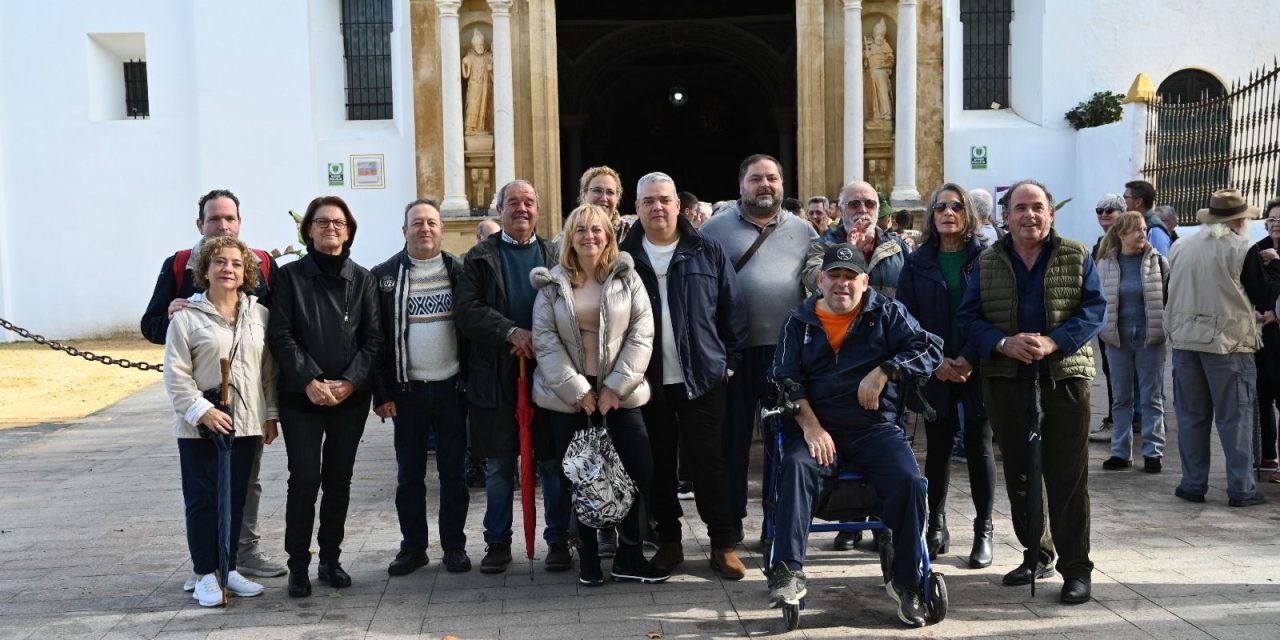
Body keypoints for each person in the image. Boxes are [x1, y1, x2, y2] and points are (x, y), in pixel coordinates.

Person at [767, 243, 942, 628]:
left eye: (850, 277)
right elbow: (784, 380)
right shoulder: (798, 323)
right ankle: (789, 570)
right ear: (820, 280)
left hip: (873, 427)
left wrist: (886, 371)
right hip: (815, 426)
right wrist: (812, 427)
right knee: (795, 467)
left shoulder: (887, 312)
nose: (841, 284)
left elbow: (930, 348)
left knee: (911, 481)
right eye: (834, 276)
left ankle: (908, 581)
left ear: (865, 281)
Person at [957, 179, 1105, 605]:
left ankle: (1076, 568)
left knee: (1067, 477)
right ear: (1006, 217)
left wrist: (1055, 341)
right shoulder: (987, 262)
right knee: (1021, 475)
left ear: (1051, 213)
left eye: (1037, 206)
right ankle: (1034, 553)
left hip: (1064, 378)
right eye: (1019, 208)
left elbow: (1094, 310)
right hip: (1006, 378)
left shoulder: (1076, 255)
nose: (1029, 215)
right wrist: (1003, 343)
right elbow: (969, 318)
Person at [141, 189, 285, 585]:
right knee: (204, 491)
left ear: (240, 222)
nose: (223, 225)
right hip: (201, 403)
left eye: (230, 219)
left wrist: (270, 411)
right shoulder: (179, 266)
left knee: (244, 485)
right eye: (214, 219)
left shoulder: (261, 266)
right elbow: (152, 327)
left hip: (247, 408)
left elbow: (267, 345)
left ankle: (238, 556)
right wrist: (171, 316)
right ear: (199, 224)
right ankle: (205, 566)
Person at [619, 172, 749, 580]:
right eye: (648, 201)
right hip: (646, 381)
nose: (657, 207)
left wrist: (727, 361)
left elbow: (733, 308)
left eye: (664, 199)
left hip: (703, 378)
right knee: (657, 465)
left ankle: (722, 545)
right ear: (636, 209)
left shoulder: (706, 250)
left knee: (710, 463)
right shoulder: (624, 257)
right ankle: (669, 541)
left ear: (679, 205)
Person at [529, 204, 665, 586]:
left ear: (609, 235)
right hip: (568, 398)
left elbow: (642, 334)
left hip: (620, 394)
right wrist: (579, 391)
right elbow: (545, 341)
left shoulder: (626, 276)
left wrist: (613, 388)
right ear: (570, 238)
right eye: (581, 230)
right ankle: (588, 556)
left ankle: (630, 555)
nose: (589, 236)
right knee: (580, 477)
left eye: (597, 230)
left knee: (640, 470)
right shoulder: (552, 284)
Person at [698, 153, 819, 540]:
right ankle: (730, 523)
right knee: (730, 442)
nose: (764, 185)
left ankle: (777, 521)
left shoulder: (804, 231)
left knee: (782, 441)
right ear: (741, 186)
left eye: (772, 178)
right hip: (731, 353)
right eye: (756, 179)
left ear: (783, 185)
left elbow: (819, 281)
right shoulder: (714, 229)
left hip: (784, 354)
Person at [269, 196, 383, 597]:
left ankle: (330, 559)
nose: (330, 228)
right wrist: (310, 379)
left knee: (339, 479)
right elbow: (281, 335)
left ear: (349, 230)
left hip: (349, 398)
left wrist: (350, 382)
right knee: (303, 478)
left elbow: (373, 340)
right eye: (322, 222)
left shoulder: (364, 280)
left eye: (339, 222)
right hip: (302, 397)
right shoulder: (288, 278)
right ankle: (297, 563)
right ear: (309, 230)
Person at [456, 180, 572, 574]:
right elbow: (468, 310)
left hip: (550, 375)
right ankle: (498, 543)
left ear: (539, 210)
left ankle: (558, 540)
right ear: (499, 209)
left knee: (553, 463)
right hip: (497, 378)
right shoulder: (479, 257)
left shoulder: (557, 255)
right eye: (512, 203)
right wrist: (511, 332)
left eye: (528, 202)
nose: (521, 209)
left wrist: (544, 339)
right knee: (500, 465)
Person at [163, 236, 277, 607]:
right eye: (220, 262)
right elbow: (176, 374)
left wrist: (270, 415)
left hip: (244, 423)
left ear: (246, 272)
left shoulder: (258, 315)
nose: (228, 269)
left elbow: (267, 373)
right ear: (205, 270)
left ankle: (227, 569)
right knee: (203, 500)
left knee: (235, 498)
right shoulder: (186, 318)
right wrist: (202, 411)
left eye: (236, 264)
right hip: (201, 426)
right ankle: (204, 573)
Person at [896, 183, 997, 568]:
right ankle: (935, 525)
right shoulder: (918, 261)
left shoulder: (986, 258)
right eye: (941, 207)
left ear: (968, 213)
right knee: (936, 448)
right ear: (932, 216)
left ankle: (983, 529)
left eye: (956, 206)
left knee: (979, 445)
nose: (948, 213)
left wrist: (969, 358)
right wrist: (936, 361)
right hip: (935, 368)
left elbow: (993, 312)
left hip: (977, 365)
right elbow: (906, 319)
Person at [371, 199, 472, 576]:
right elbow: (375, 341)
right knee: (409, 476)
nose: (424, 229)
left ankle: (455, 547)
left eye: (431, 222)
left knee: (453, 474)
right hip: (407, 393)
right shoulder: (384, 276)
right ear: (404, 230)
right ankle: (413, 547)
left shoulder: (460, 272)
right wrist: (381, 394)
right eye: (417, 223)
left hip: (452, 390)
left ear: (442, 229)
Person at [1167, 189, 1270, 507]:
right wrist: (1275, 267)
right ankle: (1241, 488)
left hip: (1185, 340)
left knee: (1191, 416)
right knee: (1235, 418)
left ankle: (1192, 484)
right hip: (1227, 344)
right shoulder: (1242, 247)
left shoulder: (1181, 244)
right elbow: (1264, 297)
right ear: (1240, 221)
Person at [1095, 212, 1169, 473]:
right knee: (1121, 397)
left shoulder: (1158, 262)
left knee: (1151, 396)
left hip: (1151, 337)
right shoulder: (1105, 263)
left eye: (1144, 229)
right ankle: (1120, 452)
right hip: (1117, 338)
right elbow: (1097, 300)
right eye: (1137, 230)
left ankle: (1152, 452)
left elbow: (1168, 296)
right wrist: (1102, 329)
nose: (1143, 234)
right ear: (1121, 234)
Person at [810, 180, 907, 298]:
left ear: (877, 209)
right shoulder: (822, 246)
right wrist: (850, 252)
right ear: (841, 210)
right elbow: (813, 281)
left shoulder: (898, 246)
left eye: (870, 204)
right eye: (854, 204)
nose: (863, 210)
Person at [1087, 194, 1126, 444]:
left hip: (1124, 318)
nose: (1104, 214)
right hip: (1106, 317)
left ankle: (1120, 423)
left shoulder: (1126, 243)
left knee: (1123, 375)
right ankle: (1116, 420)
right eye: (1099, 209)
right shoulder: (1101, 243)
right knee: (1111, 371)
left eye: (1110, 210)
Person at [1257, 197, 1280, 476]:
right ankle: (1267, 456)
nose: (1276, 226)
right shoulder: (1258, 250)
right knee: (1262, 396)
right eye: (1272, 220)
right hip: (1261, 335)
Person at [578, 165, 631, 240]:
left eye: (610, 192)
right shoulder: (568, 235)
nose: (604, 198)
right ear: (584, 194)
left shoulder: (631, 233)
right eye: (597, 190)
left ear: (617, 198)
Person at [1122, 180, 1173, 256]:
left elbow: (1161, 263)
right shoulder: (1137, 224)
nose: (1123, 201)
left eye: (1125, 197)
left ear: (1138, 202)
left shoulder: (1155, 231)